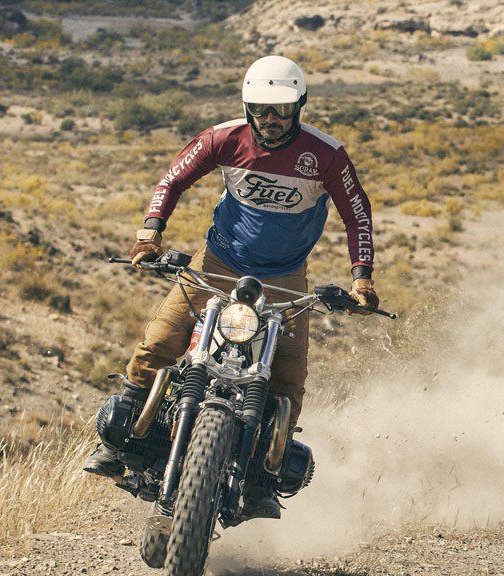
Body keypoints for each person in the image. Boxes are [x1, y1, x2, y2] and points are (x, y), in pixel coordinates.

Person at [83, 55, 379, 520]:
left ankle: (263, 479)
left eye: (282, 109)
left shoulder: (325, 155)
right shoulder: (223, 138)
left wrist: (361, 277)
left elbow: (356, 211)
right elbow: (172, 179)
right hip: (217, 262)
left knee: (287, 379)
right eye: (261, 109)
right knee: (160, 341)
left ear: (299, 106)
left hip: (285, 277)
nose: (271, 119)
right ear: (247, 107)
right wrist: (150, 232)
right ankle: (118, 443)